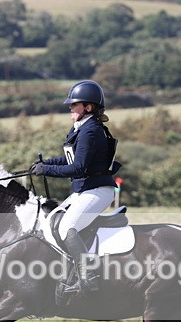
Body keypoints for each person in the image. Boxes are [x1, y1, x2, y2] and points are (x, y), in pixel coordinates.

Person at [30, 80, 121, 294]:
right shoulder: (81, 128)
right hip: (84, 190)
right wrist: (47, 164)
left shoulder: (91, 131)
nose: (70, 108)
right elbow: (70, 159)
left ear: (87, 107)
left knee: (67, 228)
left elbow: (78, 168)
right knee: (54, 221)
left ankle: (89, 277)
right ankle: (68, 273)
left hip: (98, 191)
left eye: (74, 104)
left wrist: (47, 171)